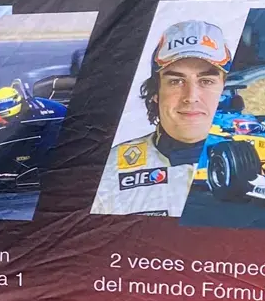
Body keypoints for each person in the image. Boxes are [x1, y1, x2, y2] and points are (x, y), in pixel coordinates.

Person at [91, 19, 230, 217]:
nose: (191, 97)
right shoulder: (107, 171)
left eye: (206, 81)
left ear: (226, 90)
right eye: (176, 81)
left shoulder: (263, 158)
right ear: (156, 92)